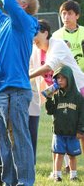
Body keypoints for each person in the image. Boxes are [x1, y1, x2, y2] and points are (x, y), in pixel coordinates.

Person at [0, 0, 39, 186]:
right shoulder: (8, 22)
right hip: (0, 89)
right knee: (3, 139)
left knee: (19, 136)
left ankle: (25, 183)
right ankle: (9, 182)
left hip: (16, 89)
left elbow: (7, 1)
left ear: (23, 6)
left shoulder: (25, 22)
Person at [29, 19, 84, 163]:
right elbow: (31, 68)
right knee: (63, 127)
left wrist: (26, 76)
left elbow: (49, 66)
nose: (32, 37)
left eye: (35, 33)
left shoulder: (57, 44)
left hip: (78, 91)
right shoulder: (36, 49)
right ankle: (65, 168)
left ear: (45, 33)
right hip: (60, 94)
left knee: (81, 131)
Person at [45, 66, 84, 181]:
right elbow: (50, 111)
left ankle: (73, 175)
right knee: (59, 154)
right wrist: (48, 99)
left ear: (70, 79)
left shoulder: (77, 97)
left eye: (63, 78)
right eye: (57, 78)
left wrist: (80, 130)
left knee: (72, 155)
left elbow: (82, 115)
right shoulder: (56, 96)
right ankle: (57, 175)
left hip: (73, 133)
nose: (60, 80)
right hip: (59, 132)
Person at [52, 0, 83, 71]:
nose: (66, 17)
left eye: (70, 13)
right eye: (64, 13)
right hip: (64, 77)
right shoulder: (55, 35)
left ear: (77, 16)